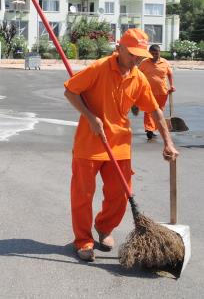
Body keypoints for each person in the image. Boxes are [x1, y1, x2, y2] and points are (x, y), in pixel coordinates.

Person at [63, 28, 179, 262]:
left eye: (140, 55)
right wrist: (90, 116)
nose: (136, 59)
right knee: (83, 195)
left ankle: (104, 227)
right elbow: (70, 91)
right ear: (120, 48)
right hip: (89, 143)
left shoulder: (138, 77)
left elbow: (154, 111)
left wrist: (168, 141)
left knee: (119, 194)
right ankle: (83, 240)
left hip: (119, 144)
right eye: (132, 54)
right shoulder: (99, 67)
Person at [139, 44, 174, 140]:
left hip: (162, 91)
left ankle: (153, 128)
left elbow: (170, 74)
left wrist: (172, 86)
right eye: (152, 53)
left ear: (160, 53)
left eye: (156, 53)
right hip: (148, 91)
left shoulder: (165, 63)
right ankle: (149, 129)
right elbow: (137, 74)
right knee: (149, 110)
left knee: (159, 111)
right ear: (149, 53)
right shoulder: (144, 63)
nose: (154, 55)